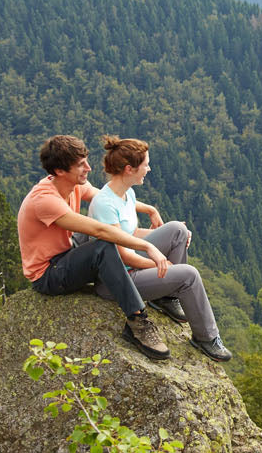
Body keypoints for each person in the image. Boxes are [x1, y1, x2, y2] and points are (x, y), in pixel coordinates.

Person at [17, 135, 176, 360]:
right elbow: (100, 232)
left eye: (86, 161)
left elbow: (105, 199)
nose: (89, 168)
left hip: (67, 251)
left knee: (105, 230)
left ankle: (126, 278)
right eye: (80, 165)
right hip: (49, 274)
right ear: (60, 171)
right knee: (103, 245)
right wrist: (147, 247)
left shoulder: (72, 185)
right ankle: (137, 320)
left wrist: (148, 209)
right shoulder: (45, 200)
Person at [87, 136, 231, 362]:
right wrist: (163, 264)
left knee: (177, 230)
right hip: (117, 280)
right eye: (145, 165)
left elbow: (130, 235)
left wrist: (172, 239)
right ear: (129, 169)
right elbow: (122, 254)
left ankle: (165, 296)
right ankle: (206, 337)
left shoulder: (125, 193)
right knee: (188, 275)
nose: (149, 169)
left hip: (130, 266)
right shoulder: (105, 204)